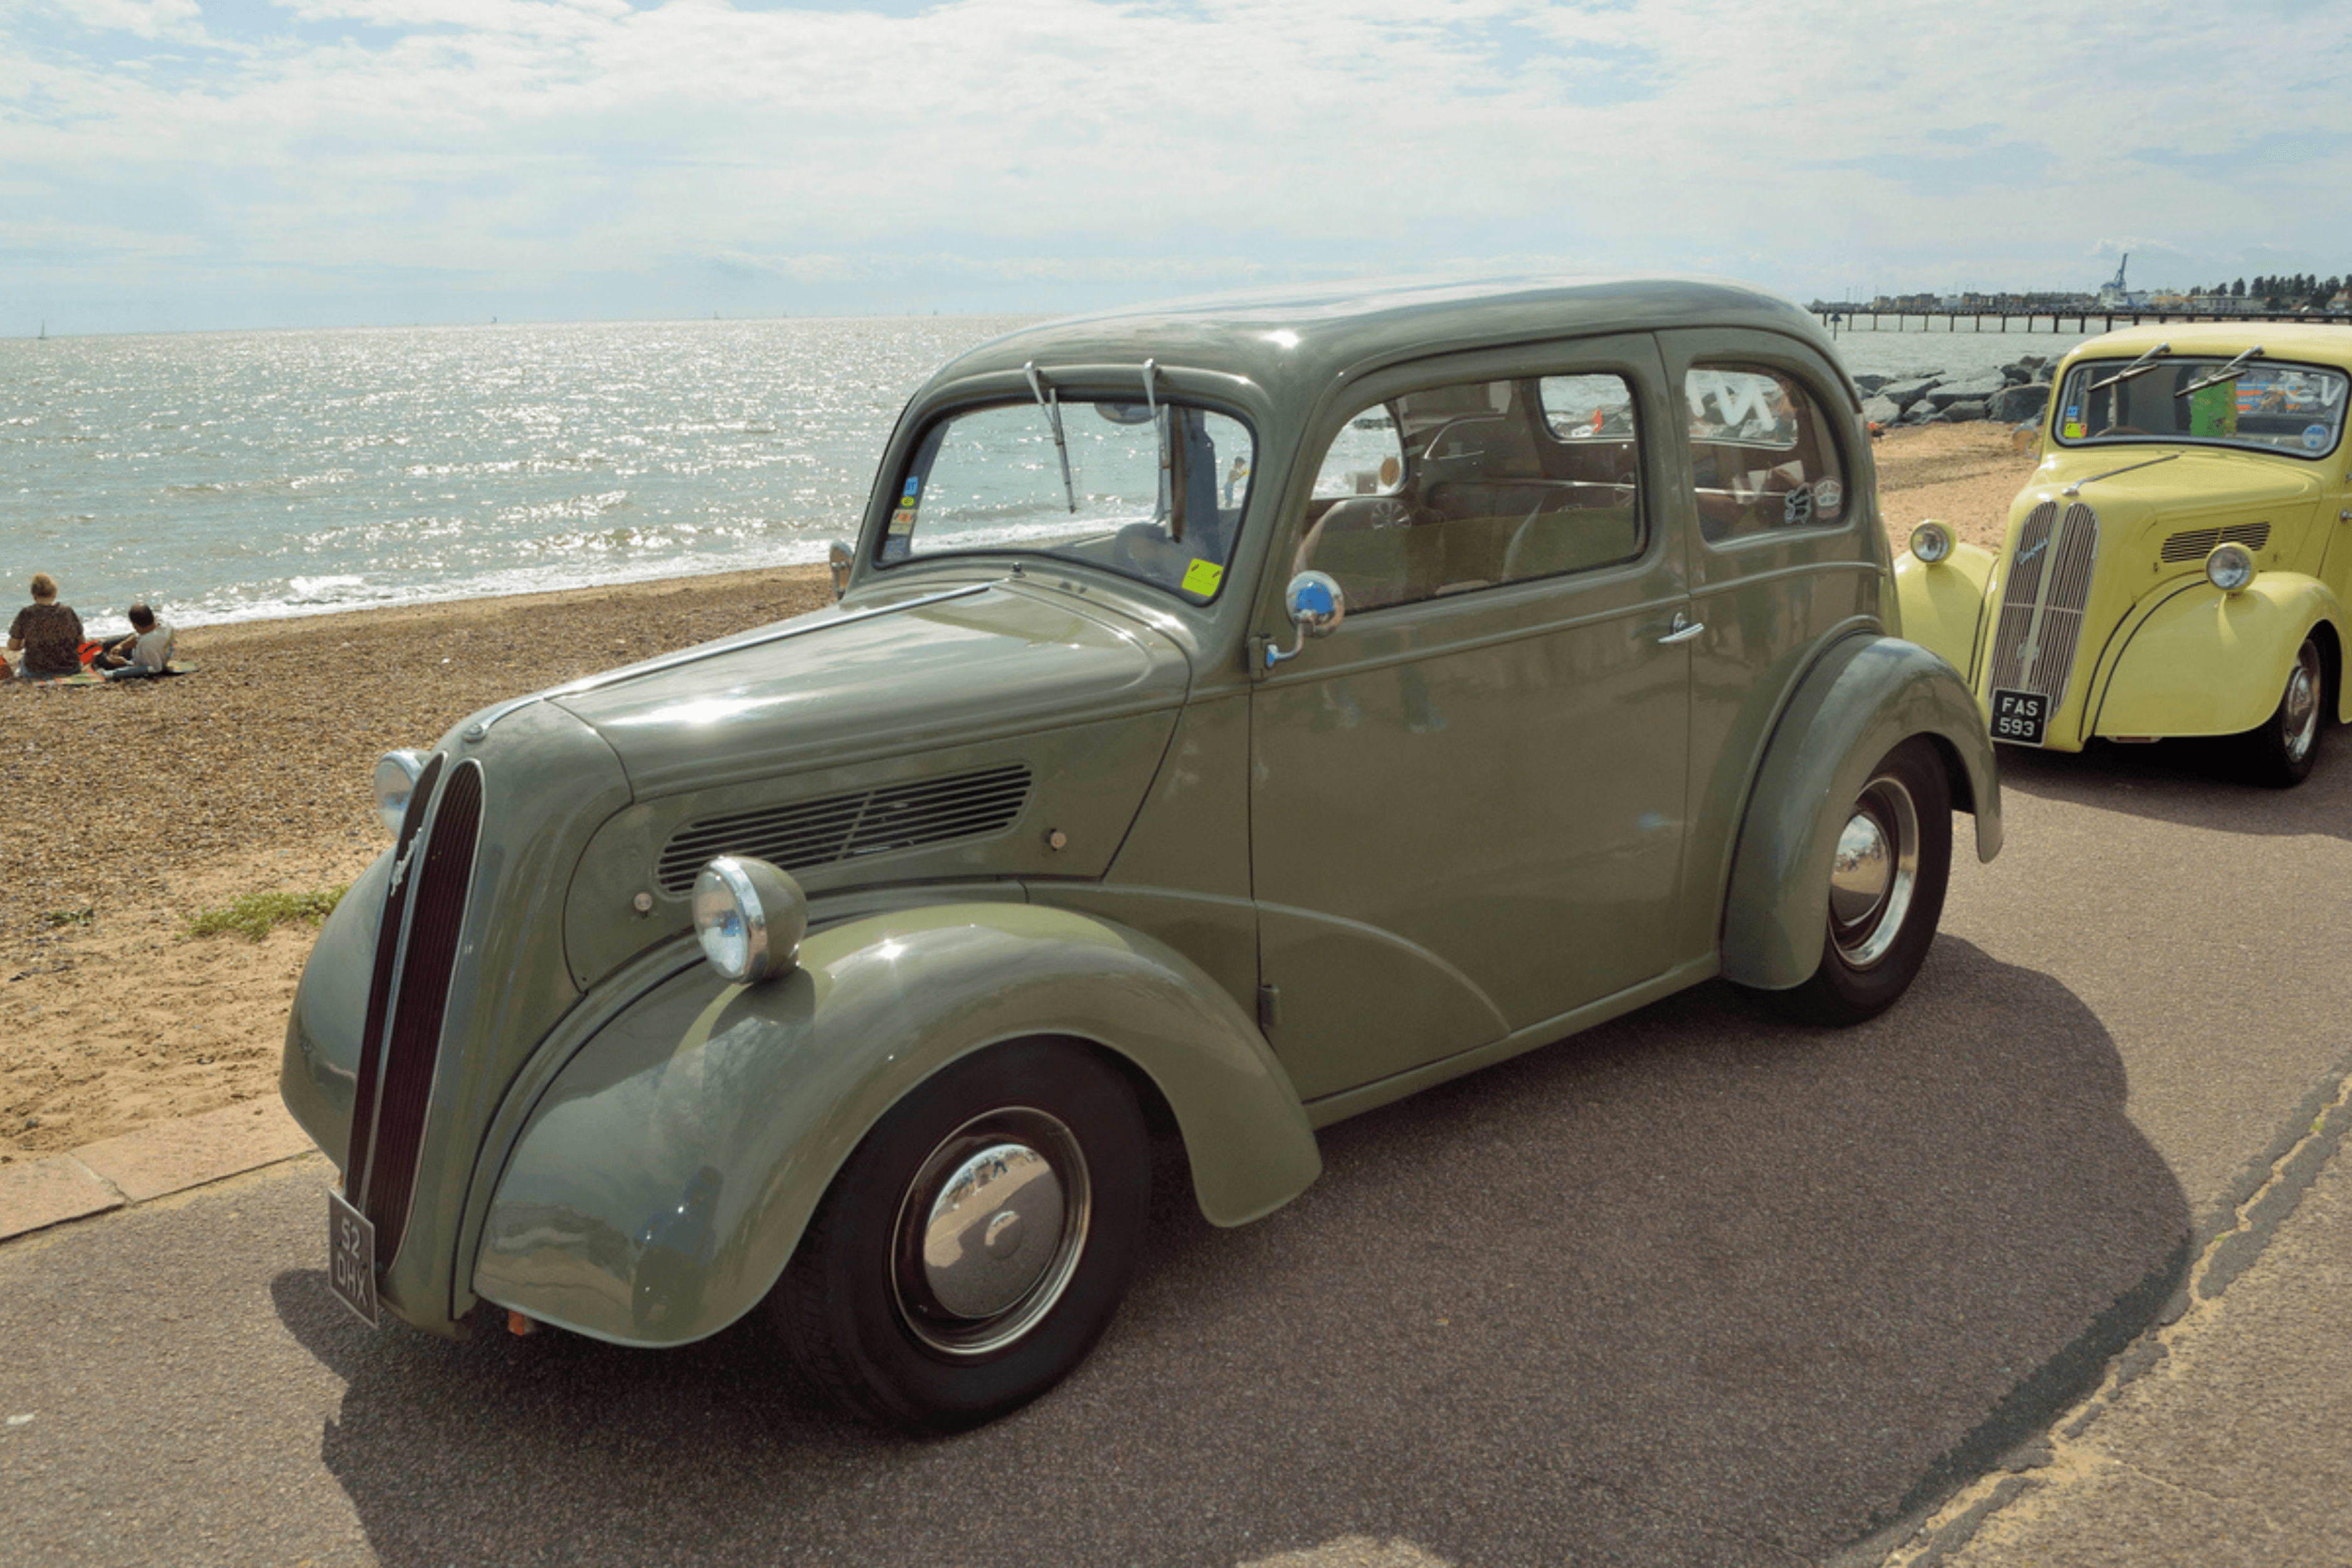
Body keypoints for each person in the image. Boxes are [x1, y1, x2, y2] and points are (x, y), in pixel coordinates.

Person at [7, 573, 83, 680]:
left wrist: (27, 644)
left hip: (36, 670)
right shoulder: (67, 612)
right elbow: (81, 642)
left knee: (22, 663)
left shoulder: (26, 613)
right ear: (55, 593)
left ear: (34, 595)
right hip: (70, 668)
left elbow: (13, 646)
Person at [94, 603, 175, 679]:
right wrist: (121, 646)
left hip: (141, 658)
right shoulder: (164, 623)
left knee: (101, 659)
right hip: (147, 650)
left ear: (135, 625)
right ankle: (101, 648)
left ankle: (96, 657)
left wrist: (125, 663)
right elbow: (137, 635)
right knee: (108, 645)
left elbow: (153, 669)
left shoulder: (147, 643)